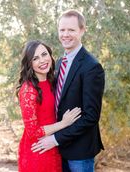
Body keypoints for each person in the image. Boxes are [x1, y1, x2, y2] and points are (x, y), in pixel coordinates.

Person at [31, 9, 105, 172]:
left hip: (79, 151)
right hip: (57, 149)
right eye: (62, 30)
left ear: (82, 30)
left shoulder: (92, 67)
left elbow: (91, 116)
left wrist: (55, 139)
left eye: (71, 30)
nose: (65, 34)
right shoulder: (58, 62)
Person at [16, 40, 81, 172]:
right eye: (35, 58)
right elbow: (32, 132)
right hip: (38, 150)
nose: (42, 60)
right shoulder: (28, 90)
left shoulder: (52, 81)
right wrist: (64, 123)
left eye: (44, 54)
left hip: (54, 146)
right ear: (29, 64)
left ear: (50, 56)